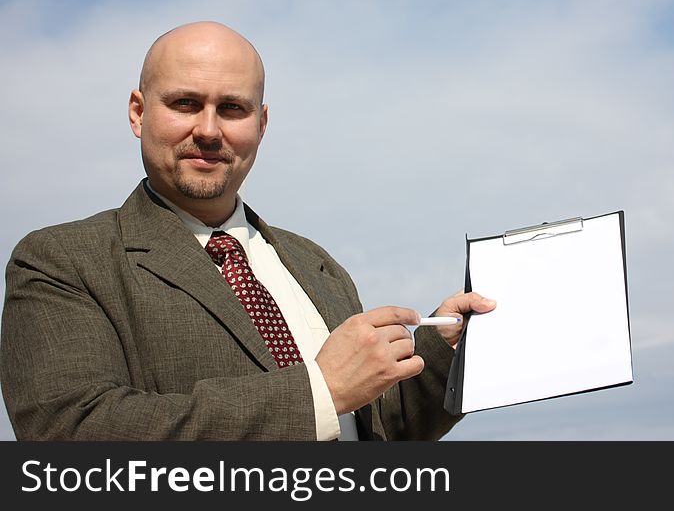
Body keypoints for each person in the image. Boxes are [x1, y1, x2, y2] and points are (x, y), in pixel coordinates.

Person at [0, 21, 495, 440]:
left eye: (232, 108)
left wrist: (445, 351)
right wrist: (317, 391)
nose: (210, 130)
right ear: (138, 112)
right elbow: (73, 431)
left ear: (261, 123)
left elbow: (373, 427)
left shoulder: (316, 265)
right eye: (185, 104)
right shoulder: (60, 261)